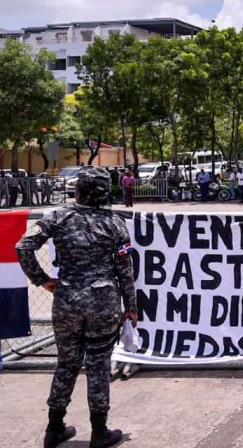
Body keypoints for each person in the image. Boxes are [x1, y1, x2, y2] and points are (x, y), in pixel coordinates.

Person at [16, 168, 137, 448]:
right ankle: (99, 432)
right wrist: (131, 307)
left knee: (67, 364)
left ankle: (54, 428)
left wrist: (42, 280)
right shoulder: (116, 224)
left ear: (79, 190)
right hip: (102, 302)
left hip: (67, 299)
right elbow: (125, 271)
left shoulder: (57, 216)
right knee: (97, 365)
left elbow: (23, 247)